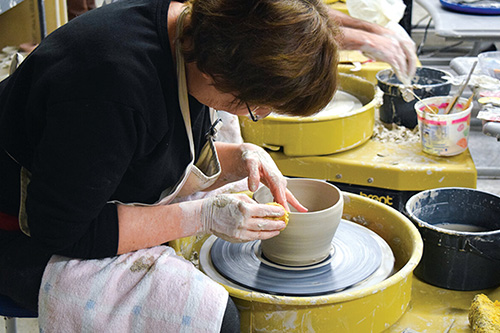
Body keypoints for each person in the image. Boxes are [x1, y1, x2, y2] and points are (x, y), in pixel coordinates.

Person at [0, 0, 339, 330]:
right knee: (214, 317)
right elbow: (60, 232)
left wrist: (239, 156)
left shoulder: (187, 30)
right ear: (215, 71)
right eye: (258, 108)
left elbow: (149, 147)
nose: (260, 115)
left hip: (76, 184)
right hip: (18, 225)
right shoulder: (111, 87)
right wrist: (202, 216)